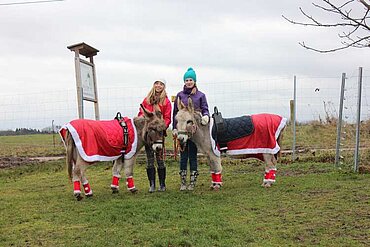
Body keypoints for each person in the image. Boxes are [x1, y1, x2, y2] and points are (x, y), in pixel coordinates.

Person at [172, 67, 210, 191]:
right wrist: (174, 128)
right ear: (184, 81)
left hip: (194, 130)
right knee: (183, 156)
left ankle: (193, 181)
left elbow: (205, 108)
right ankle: (183, 181)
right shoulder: (179, 95)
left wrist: (206, 116)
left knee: (193, 156)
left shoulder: (201, 95)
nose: (189, 82)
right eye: (187, 79)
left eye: (191, 80)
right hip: (182, 129)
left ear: (194, 81)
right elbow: (175, 114)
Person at [138, 79, 172, 192]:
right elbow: (141, 114)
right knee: (150, 159)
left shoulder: (166, 102)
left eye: (161, 84)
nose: (158, 86)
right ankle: (152, 184)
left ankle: (162, 184)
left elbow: (167, 118)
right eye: (157, 83)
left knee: (160, 159)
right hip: (149, 134)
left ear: (164, 87)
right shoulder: (146, 100)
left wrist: (162, 127)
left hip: (159, 134)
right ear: (153, 85)